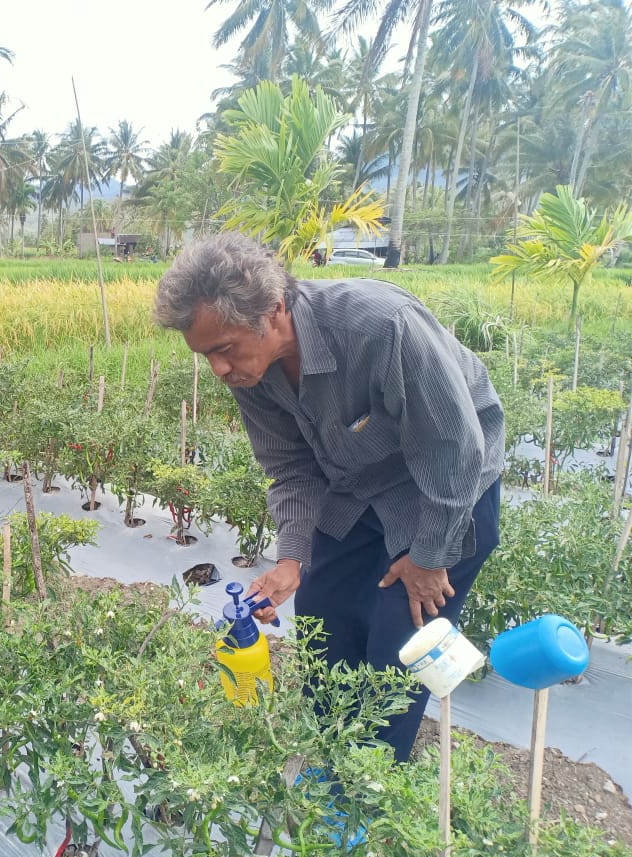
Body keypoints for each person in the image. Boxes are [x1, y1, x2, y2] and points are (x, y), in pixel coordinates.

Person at [154, 233, 503, 762]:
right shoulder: (251, 376)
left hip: (443, 489)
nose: (218, 370)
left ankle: (372, 780)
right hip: (359, 482)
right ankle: (329, 753)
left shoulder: (380, 326)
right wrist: (291, 561)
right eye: (206, 356)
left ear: (272, 311)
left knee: (399, 642)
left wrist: (430, 557)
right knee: (322, 609)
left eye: (223, 349)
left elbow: (453, 448)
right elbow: (292, 470)